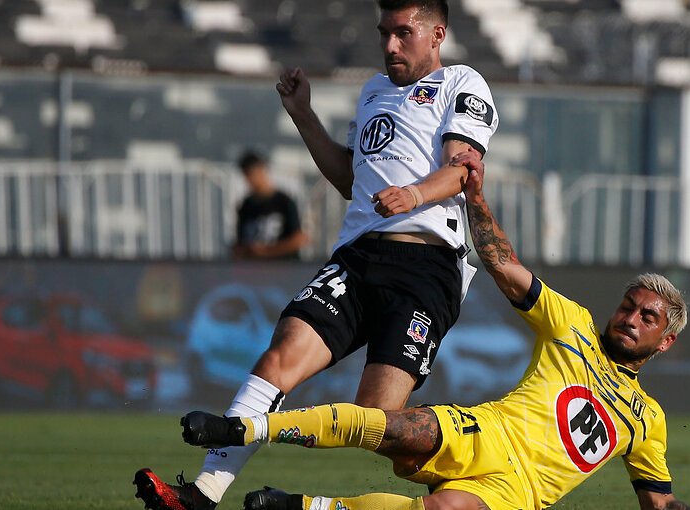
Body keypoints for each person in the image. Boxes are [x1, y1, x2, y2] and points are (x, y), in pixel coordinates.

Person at [176, 149, 690, 510]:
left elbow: (659, 501)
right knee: (393, 424)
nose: (630, 317)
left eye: (647, 317)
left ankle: (304, 505)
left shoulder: (648, 420)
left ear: (665, 341)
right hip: (486, 436)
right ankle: (244, 429)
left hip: (518, 495)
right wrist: (475, 198)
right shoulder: (573, 324)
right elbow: (502, 264)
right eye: (629, 305)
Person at [133, 1, 499, 508]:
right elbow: (350, 180)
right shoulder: (372, 92)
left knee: (375, 416)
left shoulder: (463, 83)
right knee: (280, 353)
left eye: (402, 33)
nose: (390, 45)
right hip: (356, 257)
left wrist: (413, 195)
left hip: (424, 265)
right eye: (383, 34)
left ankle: (472, 466)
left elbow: (464, 169)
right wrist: (303, 115)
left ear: (436, 34)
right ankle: (201, 493)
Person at [233, 151, 309, 260]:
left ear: (262, 170)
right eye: (246, 175)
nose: (250, 180)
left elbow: (299, 239)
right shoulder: (245, 206)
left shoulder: (284, 202)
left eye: (252, 174)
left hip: (284, 269)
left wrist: (267, 251)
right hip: (255, 271)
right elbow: (240, 244)